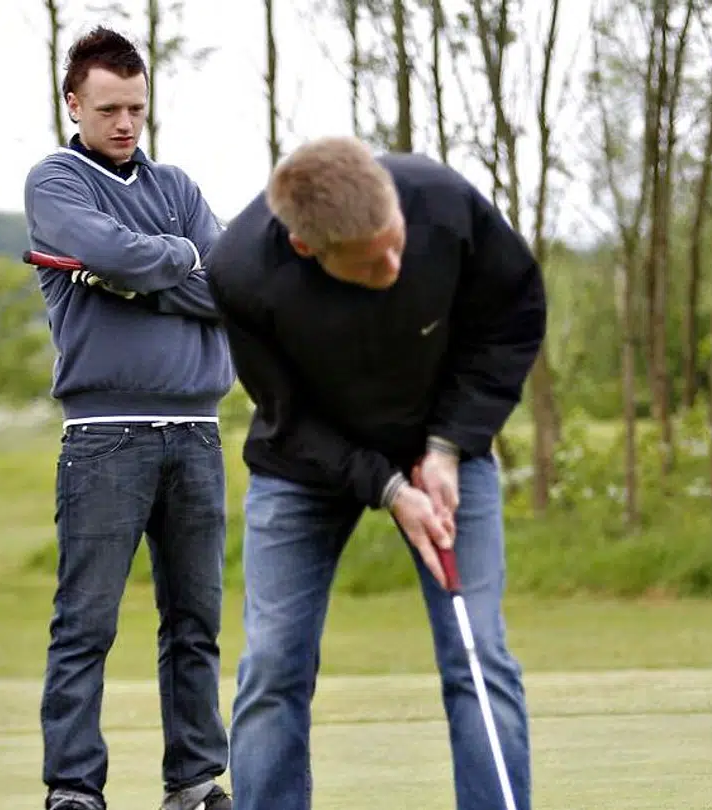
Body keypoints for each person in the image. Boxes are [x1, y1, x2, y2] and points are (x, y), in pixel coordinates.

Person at [203, 135, 545, 810]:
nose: (397, 263)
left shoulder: (443, 202)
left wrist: (449, 445)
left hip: (442, 443)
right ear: (308, 249)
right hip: (306, 461)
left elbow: (512, 319)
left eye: (398, 242)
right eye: (372, 262)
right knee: (273, 664)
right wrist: (389, 490)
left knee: (478, 655)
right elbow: (289, 418)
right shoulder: (242, 271)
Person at [22, 26, 234, 810]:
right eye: (108, 108)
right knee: (86, 625)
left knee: (195, 623)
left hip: (197, 437)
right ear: (73, 103)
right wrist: (175, 260)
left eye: (136, 108)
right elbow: (118, 253)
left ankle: (193, 782)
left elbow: (231, 290)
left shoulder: (175, 186)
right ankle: (74, 789)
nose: (124, 123)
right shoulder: (55, 181)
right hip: (104, 439)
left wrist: (139, 271)